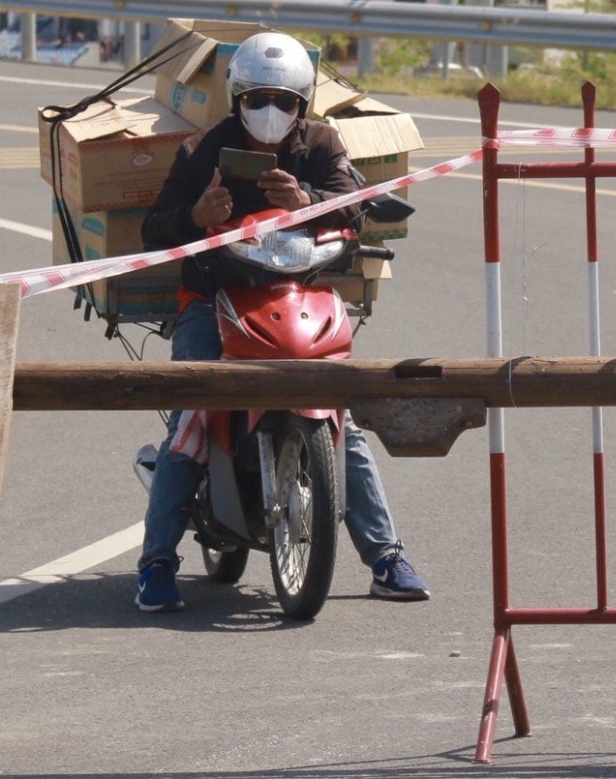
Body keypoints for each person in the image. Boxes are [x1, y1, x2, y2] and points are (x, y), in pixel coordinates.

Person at [134, 31, 430, 611]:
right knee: (192, 418)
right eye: (258, 99)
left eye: (286, 101)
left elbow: (353, 202)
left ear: (303, 103)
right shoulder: (201, 152)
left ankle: (386, 557)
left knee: (344, 418)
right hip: (212, 295)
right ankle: (157, 564)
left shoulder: (320, 143)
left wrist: (307, 199)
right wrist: (198, 214)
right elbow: (154, 228)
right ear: (237, 97)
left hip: (298, 293)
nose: (271, 112)